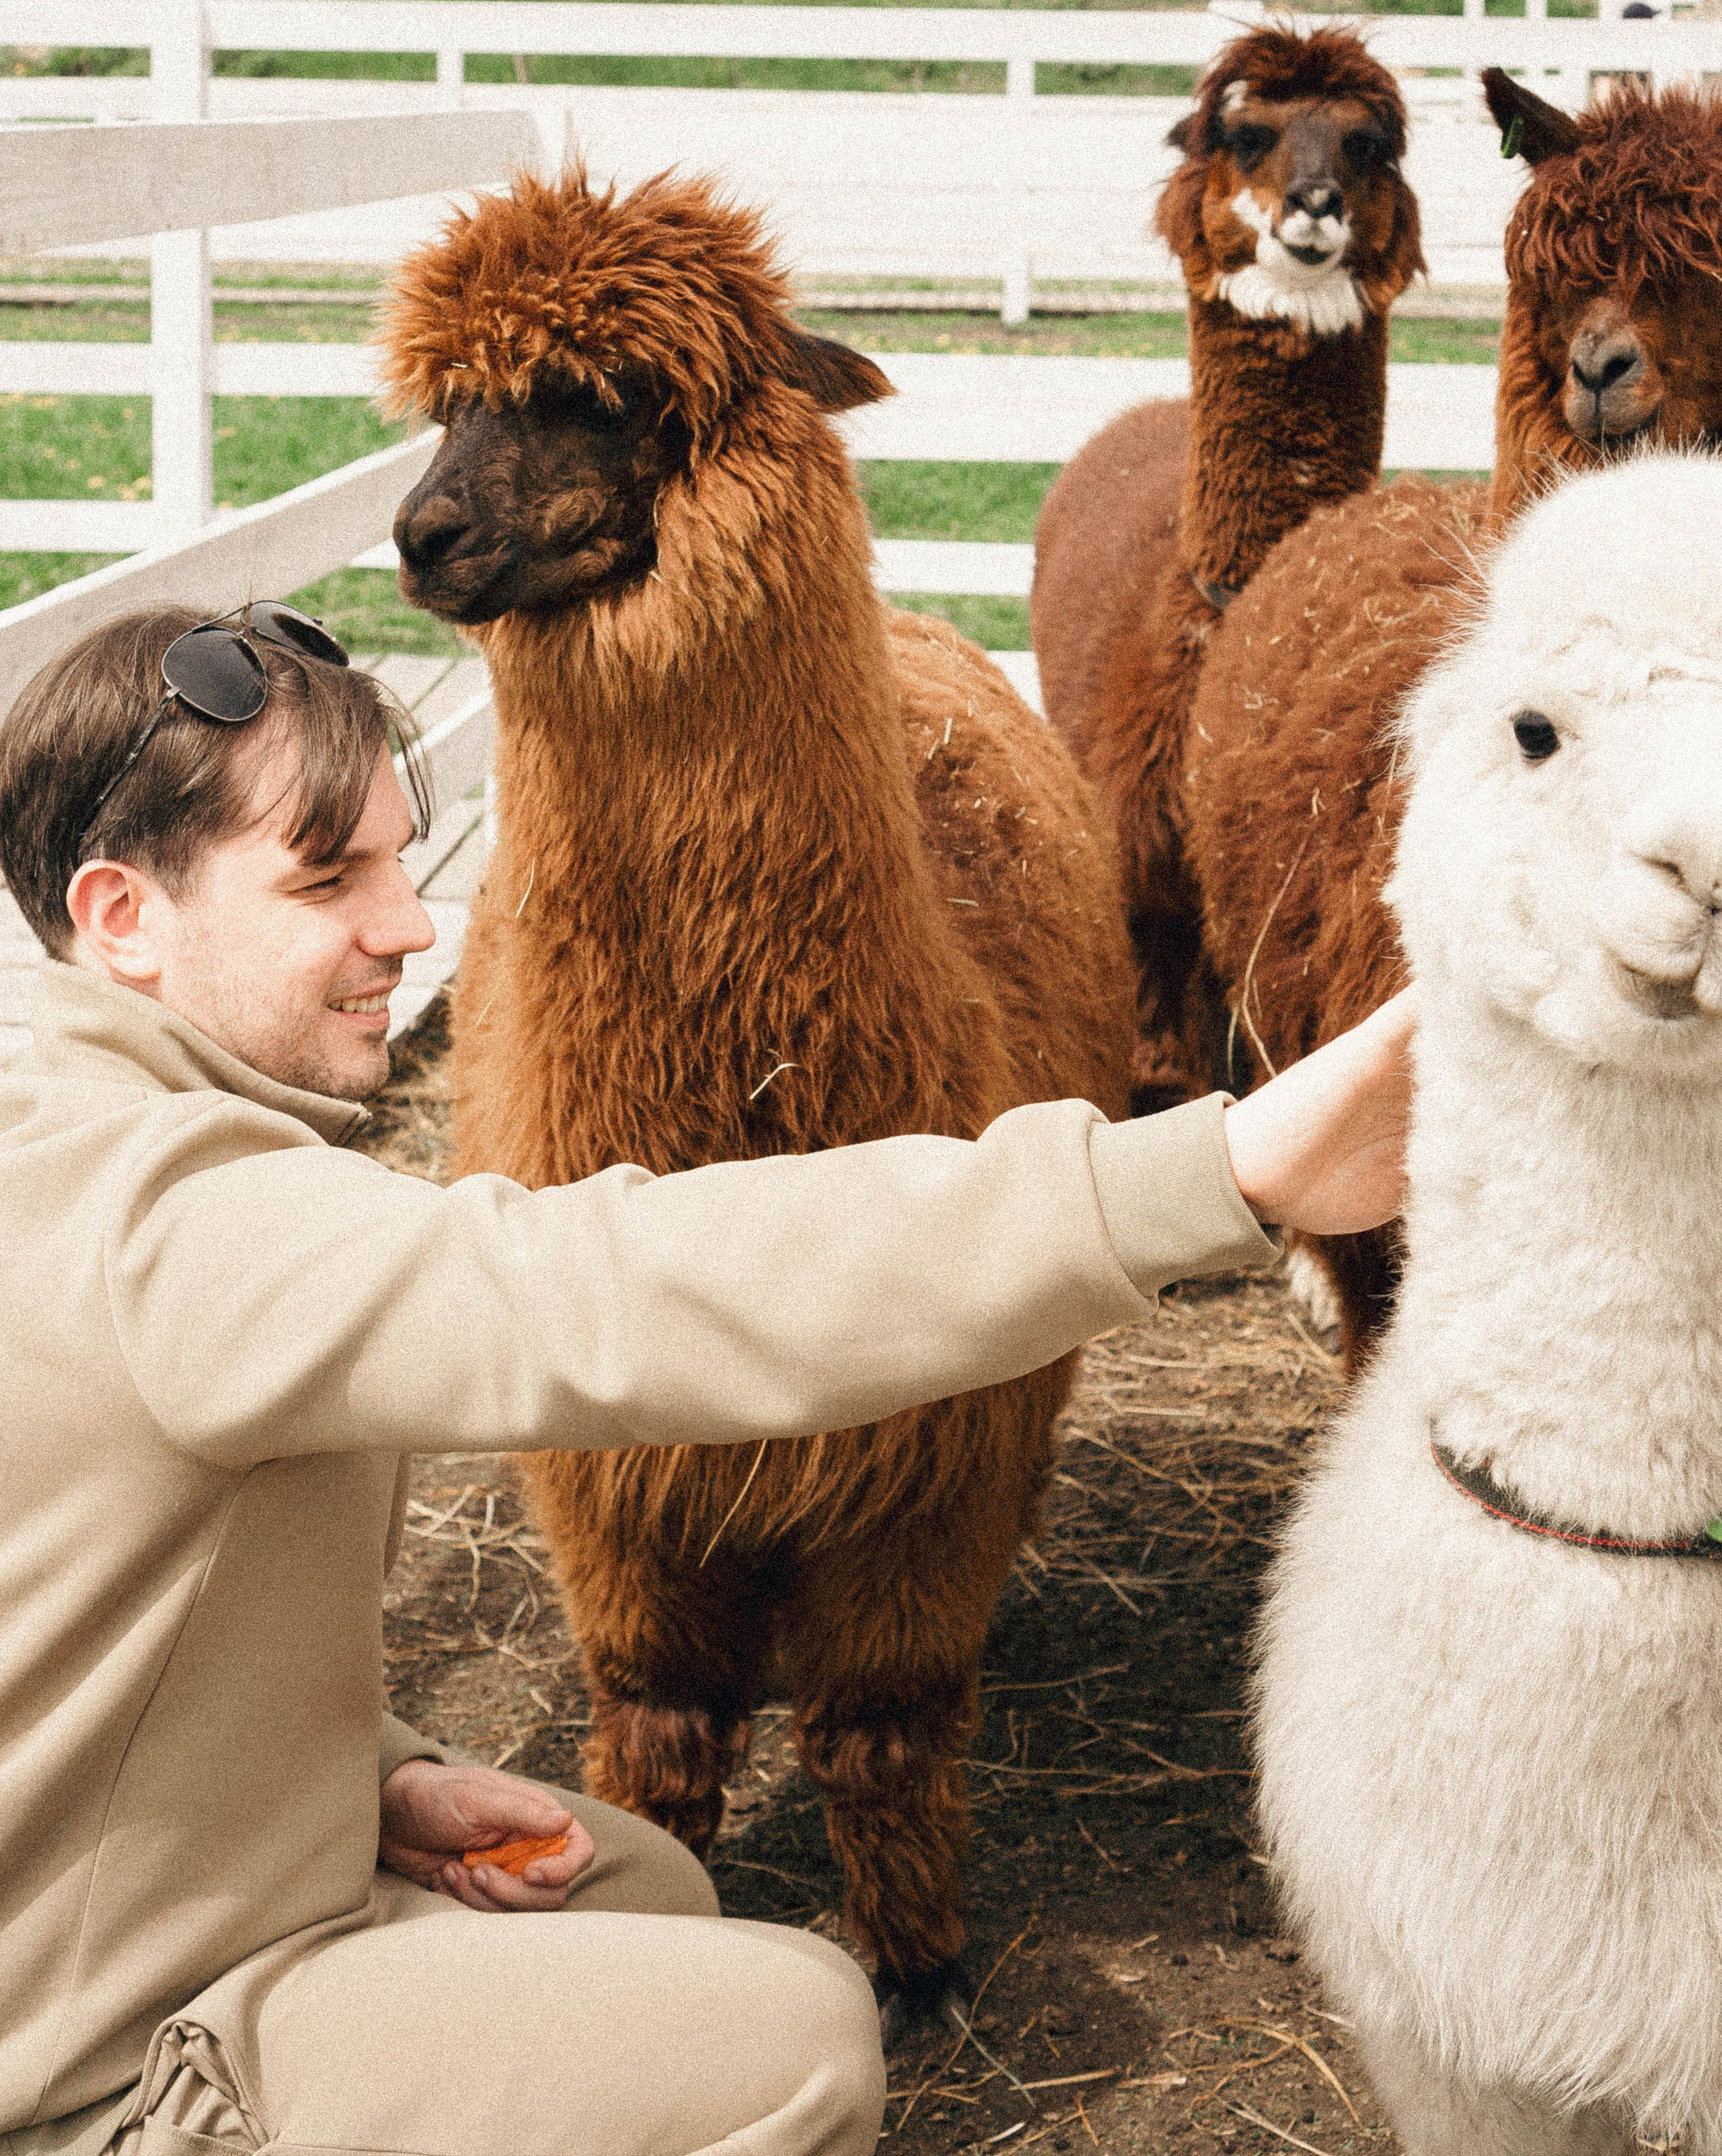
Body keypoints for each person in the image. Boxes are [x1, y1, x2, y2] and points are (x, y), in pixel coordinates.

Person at [0, 602, 1415, 2156]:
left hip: (128, 1910)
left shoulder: (62, 1129)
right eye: (329, 878)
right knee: (795, 2035)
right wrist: (1219, 1168)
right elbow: (624, 1289)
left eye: (405, 861)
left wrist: (367, 1774)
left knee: (641, 1884)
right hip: (98, 2060)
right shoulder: (172, 1227)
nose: (412, 927)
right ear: (121, 916)